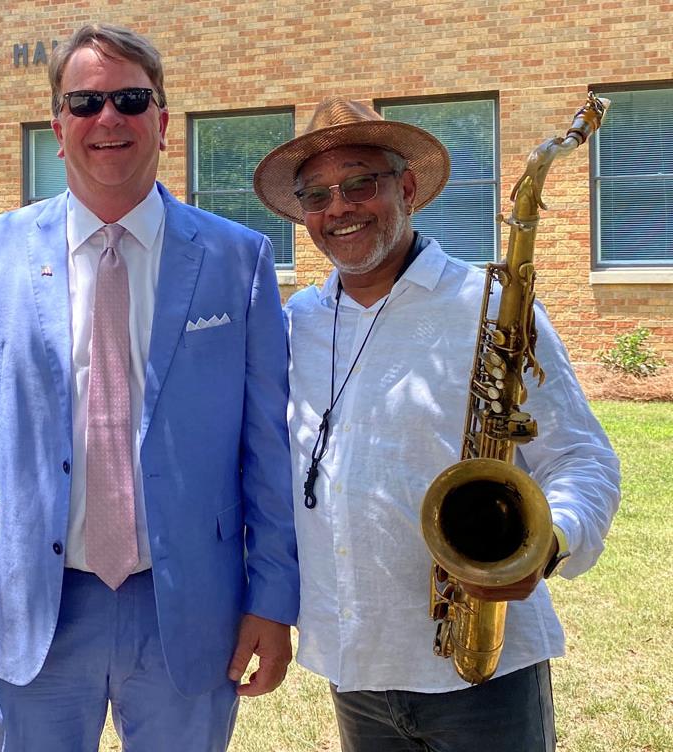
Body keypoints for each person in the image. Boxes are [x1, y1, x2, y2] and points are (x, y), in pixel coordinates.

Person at [0, 23, 298, 752]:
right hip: (29, 602)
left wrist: (274, 597)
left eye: (128, 98)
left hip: (187, 603)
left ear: (162, 119)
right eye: (85, 102)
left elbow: (268, 446)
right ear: (58, 127)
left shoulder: (236, 258)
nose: (107, 118)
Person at [252, 97, 621, 752]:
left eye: (360, 181)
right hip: (356, 667)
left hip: (484, 674)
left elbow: (583, 462)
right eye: (317, 194)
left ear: (408, 187)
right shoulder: (294, 322)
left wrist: (548, 544)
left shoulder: (491, 308)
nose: (338, 207)